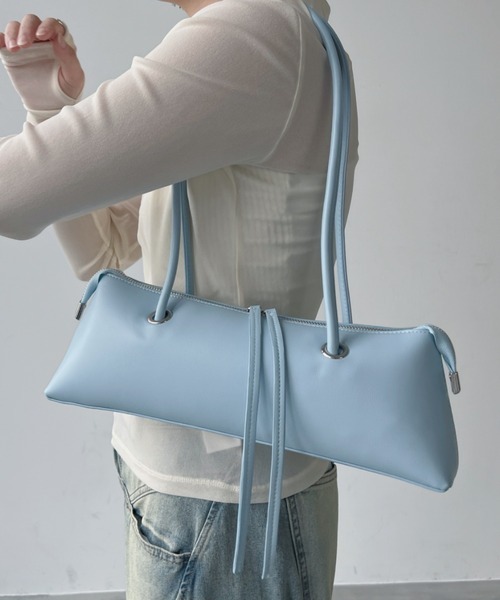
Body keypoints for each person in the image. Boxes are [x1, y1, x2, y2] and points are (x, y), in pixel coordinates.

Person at [0, 0, 357, 597]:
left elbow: (11, 195)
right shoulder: (287, 32)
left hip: (220, 498)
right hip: (217, 480)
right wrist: (47, 108)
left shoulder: (253, 32)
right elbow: (107, 248)